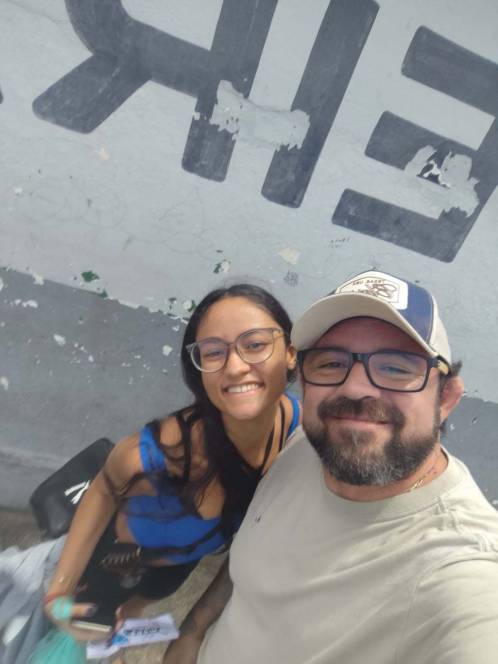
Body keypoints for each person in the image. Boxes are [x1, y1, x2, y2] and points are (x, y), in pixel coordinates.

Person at [164, 270, 498, 664]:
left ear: (446, 398)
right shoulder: (308, 444)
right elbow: (257, 553)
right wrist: (194, 630)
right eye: (330, 363)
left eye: (396, 367)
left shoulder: (462, 571)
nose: (354, 388)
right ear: (305, 382)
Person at [42, 283, 300, 648]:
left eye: (255, 344)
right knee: (79, 640)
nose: (236, 367)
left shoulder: (296, 428)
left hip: (176, 570)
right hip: (116, 564)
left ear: (290, 353)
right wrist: (59, 591)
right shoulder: (157, 452)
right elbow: (101, 491)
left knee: (127, 622)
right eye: (214, 352)